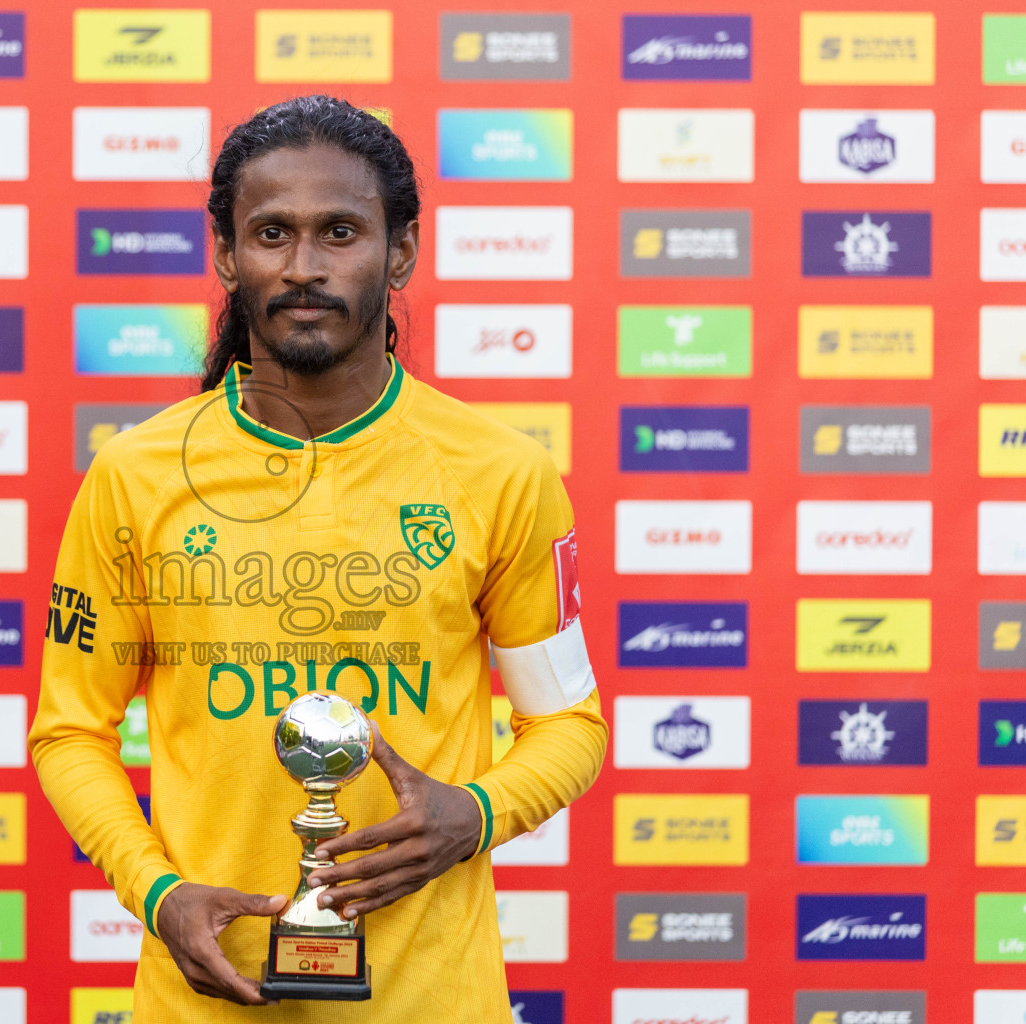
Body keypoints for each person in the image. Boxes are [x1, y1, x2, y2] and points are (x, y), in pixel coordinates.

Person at [31, 95, 607, 1022]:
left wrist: (478, 814)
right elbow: (70, 731)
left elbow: (571, 724)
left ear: (402, 250)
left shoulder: (503, 473)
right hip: (204, 1007)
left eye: (340, 231)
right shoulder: (135, 476)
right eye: (271, 233)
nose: (304, 267)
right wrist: (157, 893)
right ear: (226, 254)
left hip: (434, 1000)